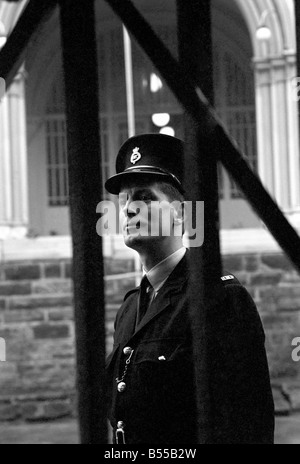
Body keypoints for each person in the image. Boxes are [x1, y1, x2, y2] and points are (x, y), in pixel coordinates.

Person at [105, 133, 274, 444]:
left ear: (182, 211)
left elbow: (246, 425)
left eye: (144, 198)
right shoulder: (130, 309)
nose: (128, 210)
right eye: (124, 199)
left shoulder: (219, 298)